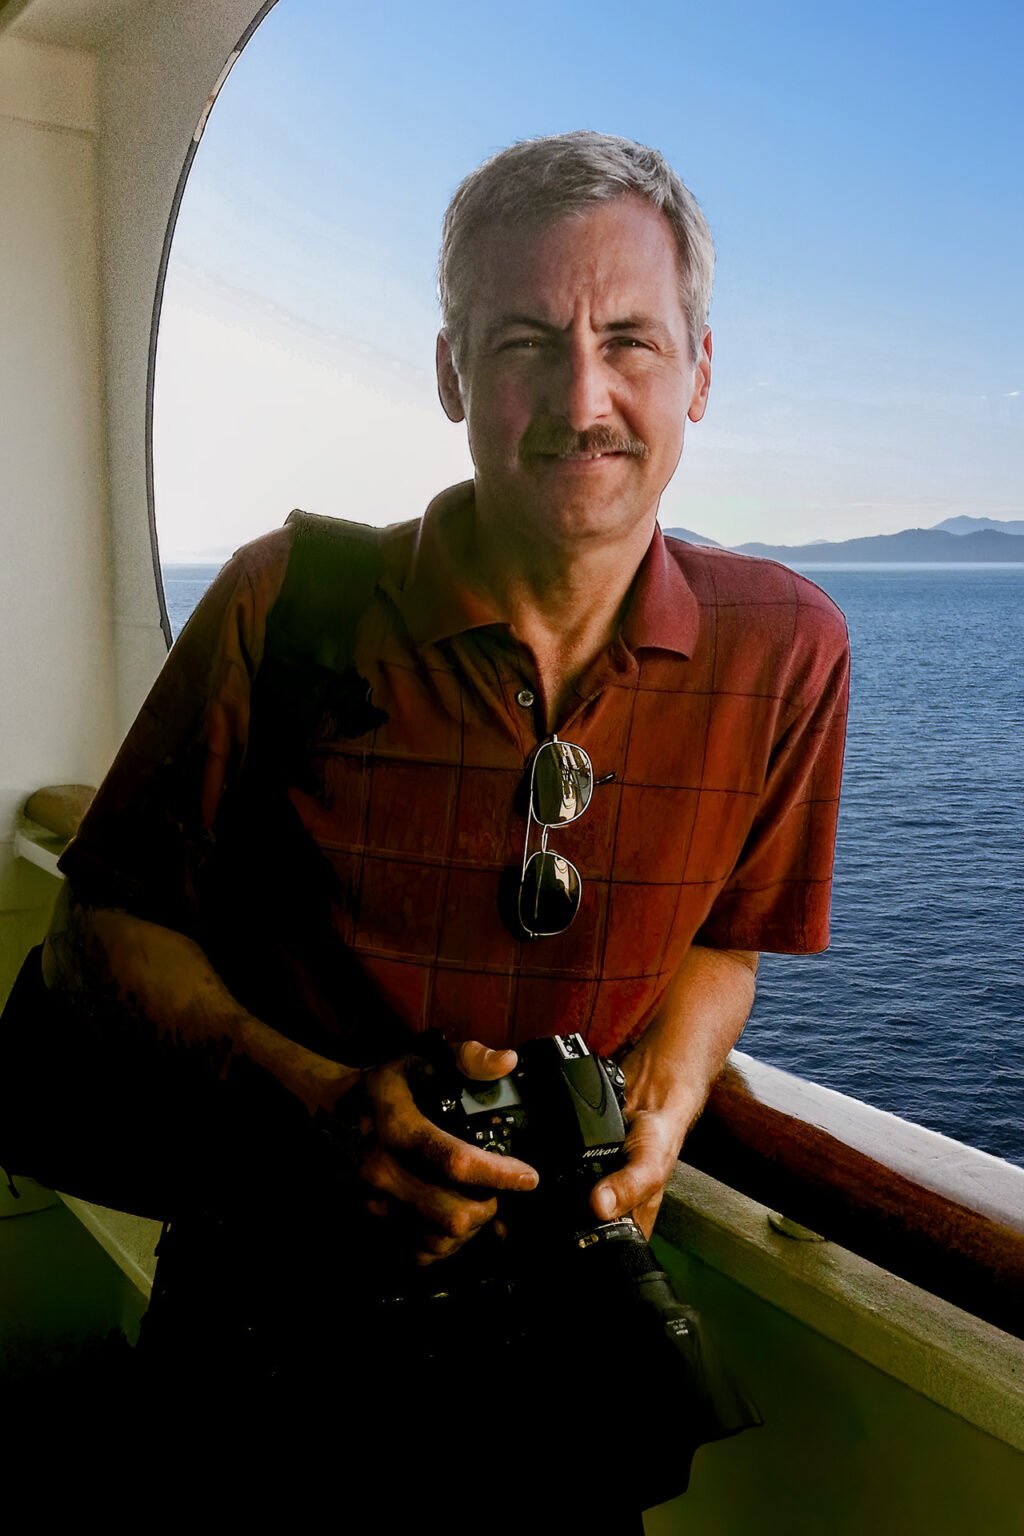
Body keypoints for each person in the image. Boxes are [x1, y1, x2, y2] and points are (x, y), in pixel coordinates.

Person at [41, 131, 848, 1518]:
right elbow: (97, 933)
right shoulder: (285, 604)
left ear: (700, 374)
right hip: (260, 1330)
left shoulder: (787, 650)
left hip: (566, 1348)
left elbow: (731, 936)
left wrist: (667, 1100)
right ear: (449, 371)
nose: (583, 396)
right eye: (527, 340)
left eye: (633, 343)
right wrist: (317, 1110)